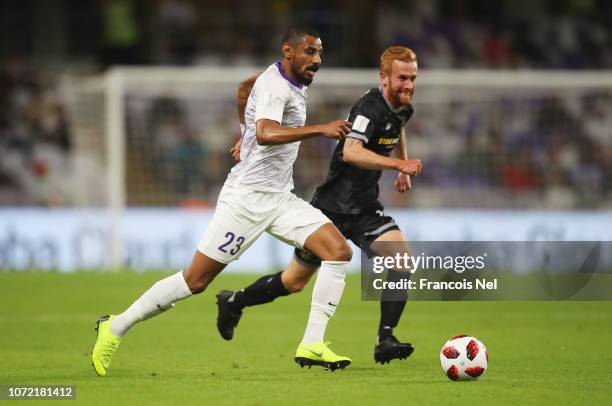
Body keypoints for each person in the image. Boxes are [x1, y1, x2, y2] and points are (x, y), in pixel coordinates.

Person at [91, 27, 356, 376]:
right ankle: (116, 326)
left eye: (320, 53)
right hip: (245, 200)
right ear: (288, 51)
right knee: (195, 281)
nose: (317, 60)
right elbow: (266, 133)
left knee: (338, 251)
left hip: (279, 197)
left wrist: (244, 133)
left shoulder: (282, 78)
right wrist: (315, 129)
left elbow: (244, 90)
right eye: (310, 52)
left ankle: (312, 343)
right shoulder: (278, 86)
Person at [217, 46, 422, 365]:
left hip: (365, 209)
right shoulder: (369, 108)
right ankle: (233, 302)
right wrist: (399, 167)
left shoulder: (402, 107)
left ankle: (386, 339)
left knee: (401, 261)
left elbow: (399, 128)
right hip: (332, 209)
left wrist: (403, 162)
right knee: (293, 282)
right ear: (383, 77)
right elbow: (352, 152)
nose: (408, 84)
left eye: (412, 78)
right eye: (402, 78)